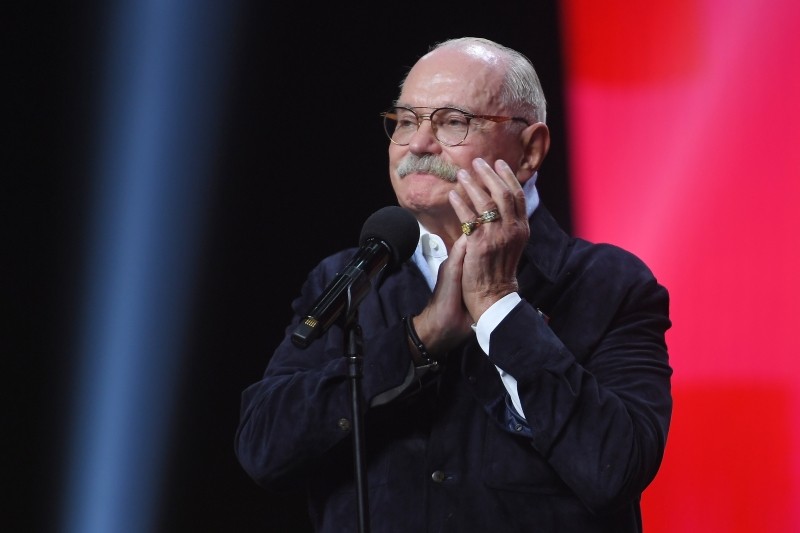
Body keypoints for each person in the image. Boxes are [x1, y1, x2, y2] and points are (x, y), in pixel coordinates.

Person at [235, 36, 672, 532]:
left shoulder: (610, 284)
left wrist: (498, 306)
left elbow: (614, 471)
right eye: (405, 121)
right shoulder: (347, 278)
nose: (418, 145)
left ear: (530, 150)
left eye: (452, 122)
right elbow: (263, 449)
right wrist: (417, 339)